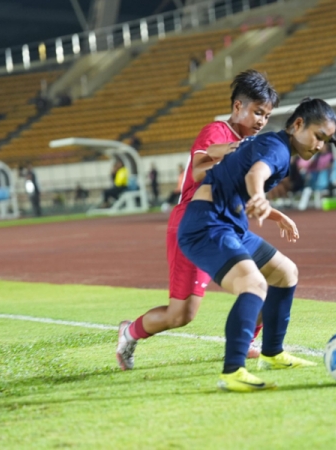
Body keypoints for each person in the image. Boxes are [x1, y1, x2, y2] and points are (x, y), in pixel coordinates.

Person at [177, 98, 336, 392]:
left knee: (285, 272)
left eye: (326, 141)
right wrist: (259, 195)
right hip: (206, 226)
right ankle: (233, 371)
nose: (320, 145)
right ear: (298, 125)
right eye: (318, 136)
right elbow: (254, 173)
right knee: (253, 285)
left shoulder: (276, 144)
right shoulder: (277, 150)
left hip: (228, 224)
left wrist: (272, 213)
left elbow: (239, 176)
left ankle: (272, 353)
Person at [116, 70, 281, 371]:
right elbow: (196, 172)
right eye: (257, 112)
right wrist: (235, 154)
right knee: (181, 315)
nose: (261, 121)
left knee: (271, 277)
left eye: (267, 116)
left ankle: (245, 343)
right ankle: (129, 332)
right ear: (237, 107)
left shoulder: (250, 146)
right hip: (194, 225)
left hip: (225, 226)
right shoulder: (216, 132)